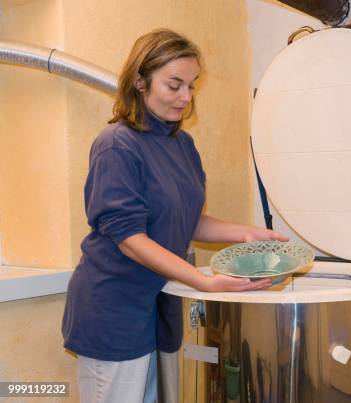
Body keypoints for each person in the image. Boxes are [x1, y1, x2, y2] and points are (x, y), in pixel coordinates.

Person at [61, 29, 287, 403]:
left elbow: (188, 219)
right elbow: (131, 240)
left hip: (157, 309)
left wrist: (246, 233)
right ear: (139, 81)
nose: (186, 97)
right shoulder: (116, 145)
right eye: (174, 85)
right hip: (113, 311)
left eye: (192, 86)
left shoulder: (180, 144)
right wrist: (203, 281)